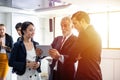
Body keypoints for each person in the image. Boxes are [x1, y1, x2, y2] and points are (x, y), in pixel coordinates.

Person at [68, 11, 102, 80]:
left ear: (82, 21)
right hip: (94, 72)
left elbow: (72, 52)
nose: (74, 27)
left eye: (75, 23)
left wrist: (76, 54)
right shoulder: (95, 33)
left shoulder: (85, 34)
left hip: (87, 75)